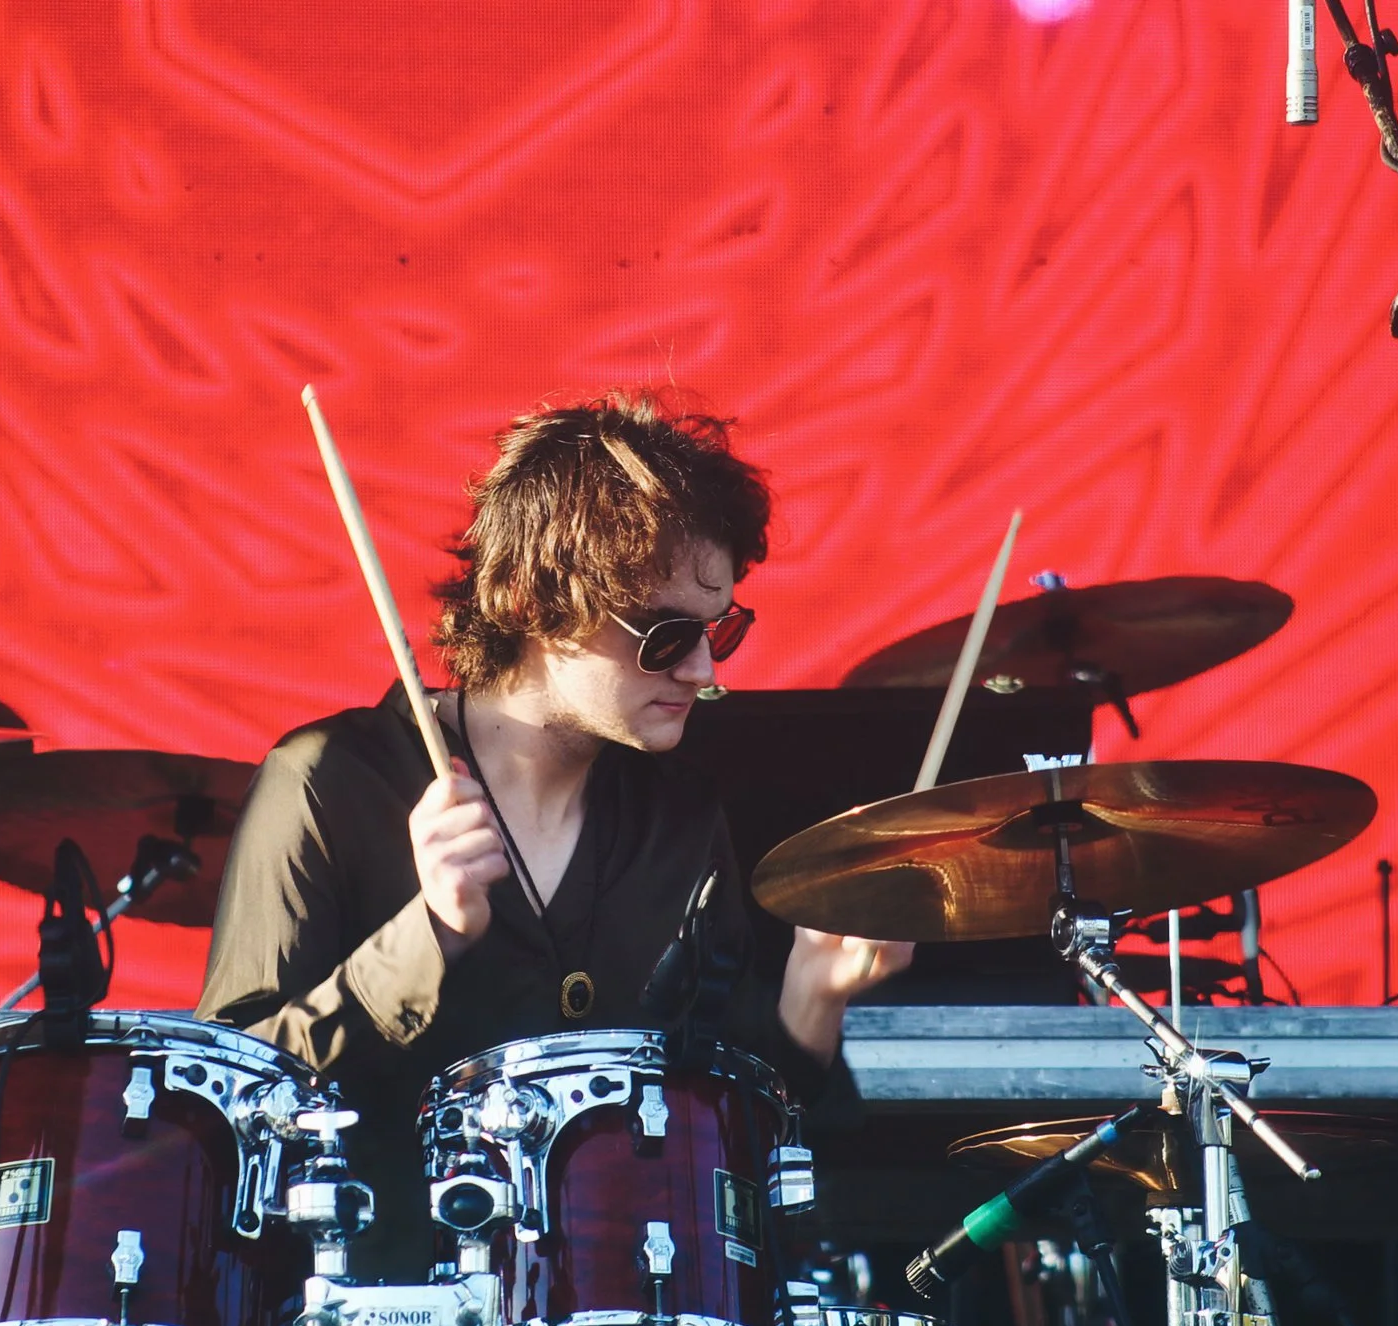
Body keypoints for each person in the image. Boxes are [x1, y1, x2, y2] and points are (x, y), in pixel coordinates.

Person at [197, 391, 909, 1276]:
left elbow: (723, 1129)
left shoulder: (681, 815)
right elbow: (229, 1101)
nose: (704, 668)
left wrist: (812, 1000)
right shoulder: (326, 779)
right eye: (664, 634)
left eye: (721, 626)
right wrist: (428, 936)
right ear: (539, 606)